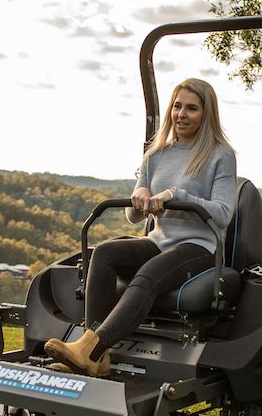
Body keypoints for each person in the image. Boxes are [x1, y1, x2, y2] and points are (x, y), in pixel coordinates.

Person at [45, 78, 237, 377]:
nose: (181, 114)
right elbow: (133, 217)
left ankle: (91, 351)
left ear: (206, 113)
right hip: (160, 240)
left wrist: (176, 196)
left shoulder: (220, 155)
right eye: (177, 106)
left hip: (199, 245)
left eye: (192, 108)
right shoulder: (156, 154)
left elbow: (223, 215)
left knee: (150, 272)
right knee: (104, 253)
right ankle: (95, 352)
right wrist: (140, 197)